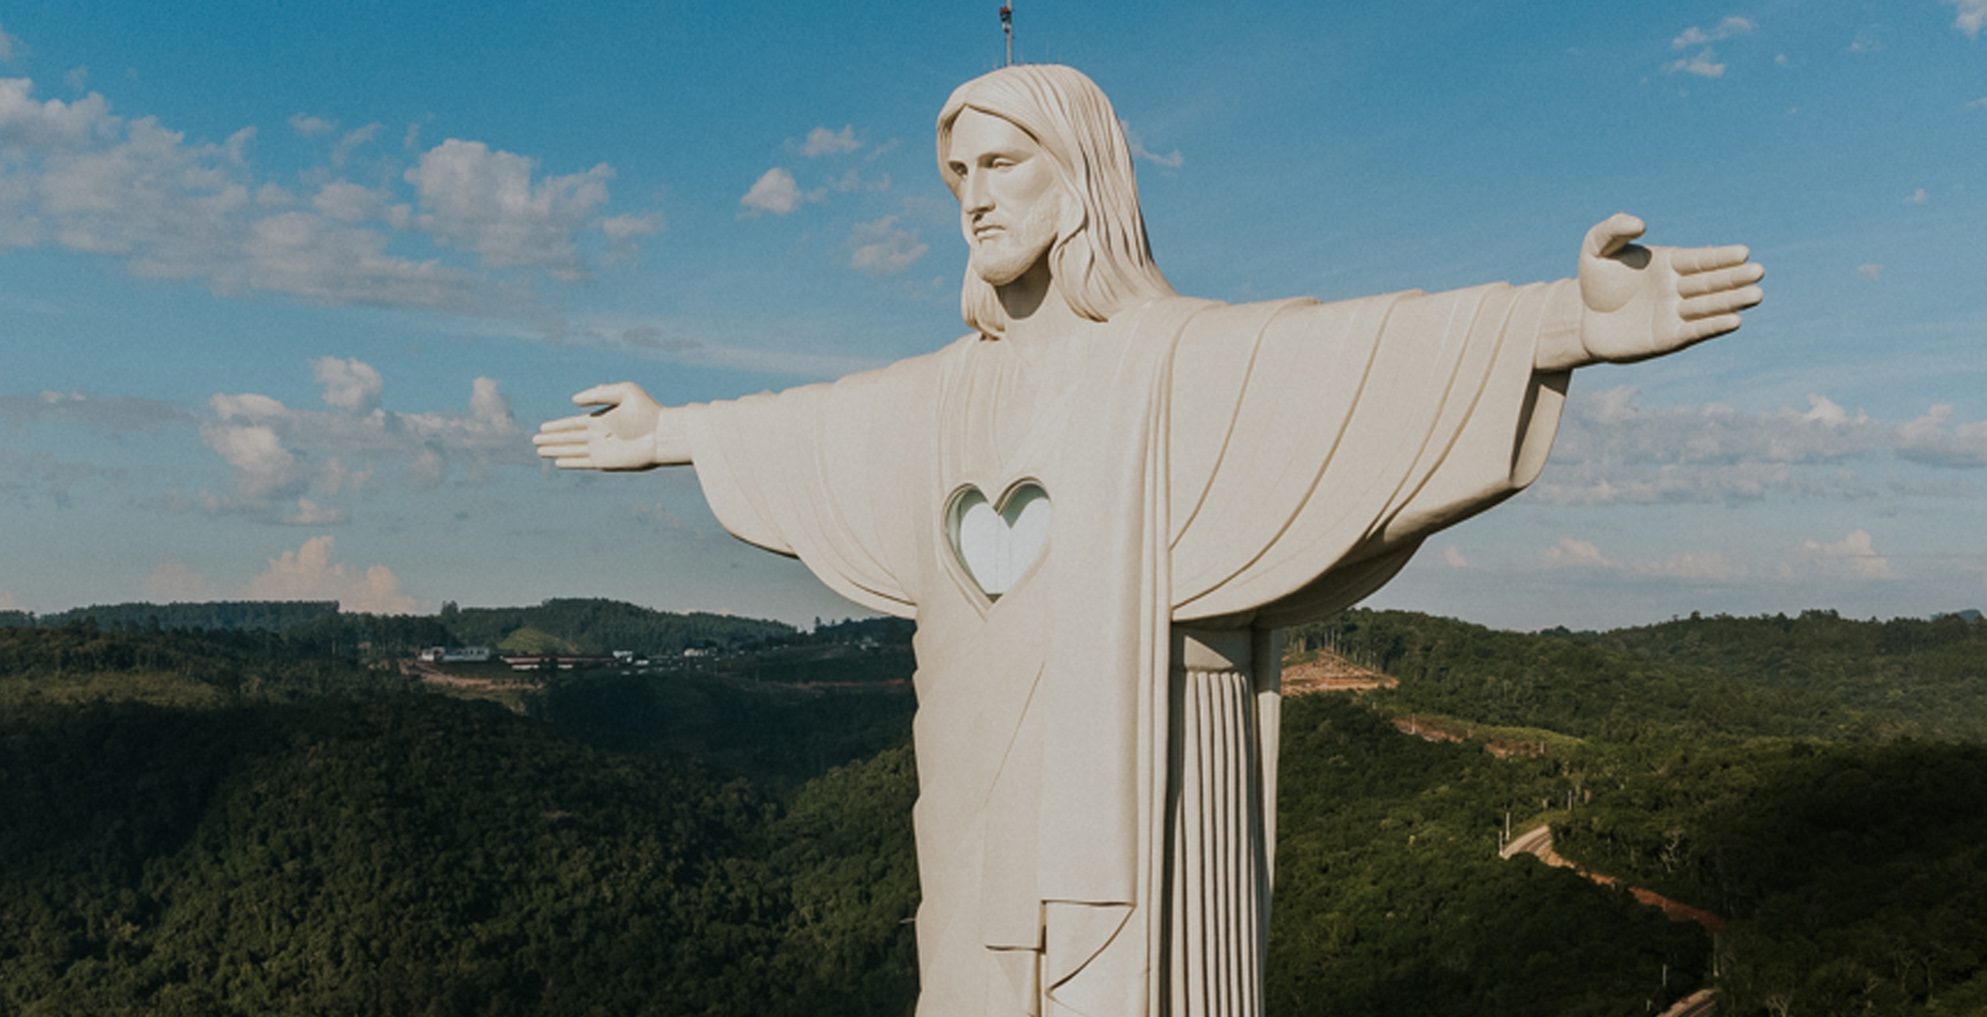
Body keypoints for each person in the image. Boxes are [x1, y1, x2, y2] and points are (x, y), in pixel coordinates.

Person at [535, 64, 1762, 1017]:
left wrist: (1567, 323)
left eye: (1001, 161)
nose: (970, 192)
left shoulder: (1178, 362)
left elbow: (1365, 354)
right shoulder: (942, 391)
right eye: (954, 169)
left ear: (1077, 177)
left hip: (1157, 777)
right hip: (969, 800)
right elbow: (818, 425)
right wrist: (671, 432)